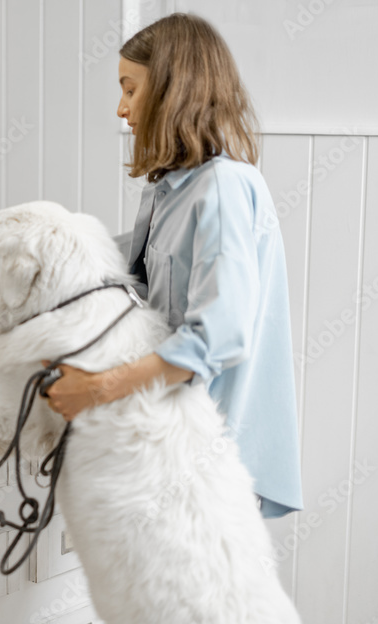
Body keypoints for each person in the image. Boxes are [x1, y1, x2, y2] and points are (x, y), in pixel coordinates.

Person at [42, 13, 302, 518]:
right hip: (174, 444)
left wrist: (95, 390)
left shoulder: (224, 188)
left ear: (171, 90)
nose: (122, 109)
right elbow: (121, 278)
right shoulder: (169, 190)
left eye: (130, 90)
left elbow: (217, 338)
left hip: (212, 457)